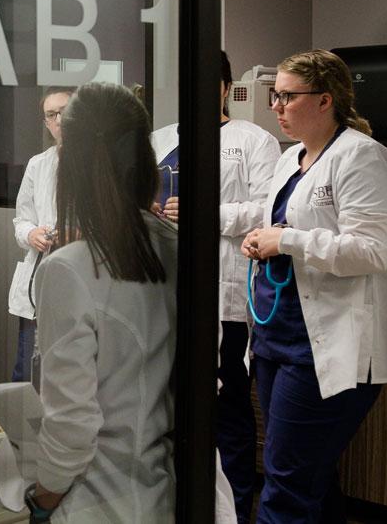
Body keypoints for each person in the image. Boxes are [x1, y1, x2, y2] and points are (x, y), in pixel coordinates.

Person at [241, 49, 387, 523]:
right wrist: (259, 235)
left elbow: (372, 250)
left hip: (326, 347)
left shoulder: (361, 156)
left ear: (325, 99)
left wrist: (285, 239)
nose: (277, 107)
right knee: (308, 476)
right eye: (275, 96)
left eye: (287, 96)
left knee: (286, 485)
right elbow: (276, 219)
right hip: (276, 340)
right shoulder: (292, 158)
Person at [24, 83, 177, 522]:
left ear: (71, 167)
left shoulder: (70, 270)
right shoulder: (177, 248)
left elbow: (71, 428)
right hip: (164, 493)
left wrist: (41, 499)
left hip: (98, 502)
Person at [151, 53, 281, 522]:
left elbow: (270, 209)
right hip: (164, 291)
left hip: (223, 296)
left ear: (224, 88)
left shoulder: (253, 140)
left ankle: (237, 509)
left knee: (226, 409)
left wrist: (207, 212)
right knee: (169, 403)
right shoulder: (160, 139)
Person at [7, 87, 73, 382]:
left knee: (70, 371)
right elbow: (21, 219)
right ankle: (23, 428)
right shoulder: (38, 164)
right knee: (29, 369)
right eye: (51, 114)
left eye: (65, 111)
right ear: (46, 122)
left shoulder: (102, 161)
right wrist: (31, 233)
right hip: (41, 275)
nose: (59, 119)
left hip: (80, 277)